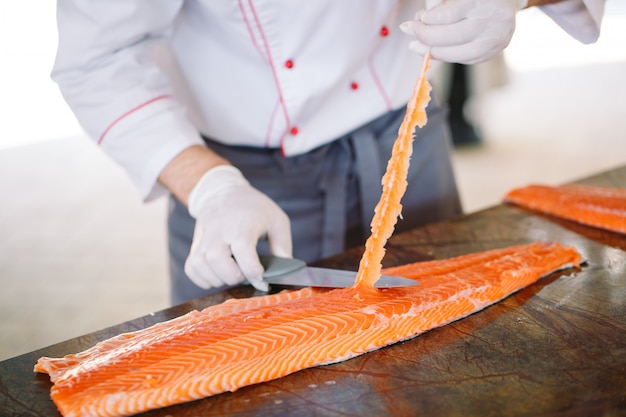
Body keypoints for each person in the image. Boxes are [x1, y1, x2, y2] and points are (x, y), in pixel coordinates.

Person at [53, 0, 604, 305]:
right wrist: (209, 186)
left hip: (409, 138)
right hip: (247, 182)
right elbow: (96, 62)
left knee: (437, 348)